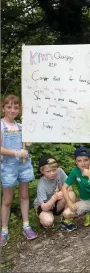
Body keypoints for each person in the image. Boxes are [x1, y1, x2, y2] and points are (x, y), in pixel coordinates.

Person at [1, 94, 37, 246]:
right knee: (7, 200)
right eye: (9, 107)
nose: (12, 110)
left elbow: (29, 144)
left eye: (16, 107)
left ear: (19, 109)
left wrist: (29, 140)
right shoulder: (1, 126)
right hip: (8, 166)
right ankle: (3, 230)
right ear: (3, 108)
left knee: (24, 195)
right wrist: (15, 153)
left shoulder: (21, 126)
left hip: (23, 164)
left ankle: (26, 225)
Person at [61, 147, 90, 236]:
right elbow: (64, 188)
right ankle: (89, 212)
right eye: (79, 161)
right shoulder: (75, 172)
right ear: (76, 162)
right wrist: (69, 203)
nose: (83, 163)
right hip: (85, 200)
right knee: (66, 214)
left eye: (86, 160)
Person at [34, 155, 71, 229]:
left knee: (71, 194)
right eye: (48, 171)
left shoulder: (60, 171)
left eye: (54, 170)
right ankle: (42, 219)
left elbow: (70, 188)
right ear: (42, 171)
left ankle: (66, 219)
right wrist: (54, 198)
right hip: (44, 205)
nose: (52, 173)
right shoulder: (41, 184)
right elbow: (44, 207)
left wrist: (61, 193)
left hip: (57, 201)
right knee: (48, 222)